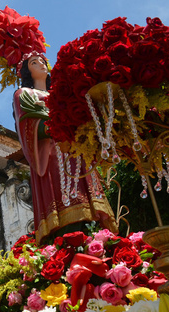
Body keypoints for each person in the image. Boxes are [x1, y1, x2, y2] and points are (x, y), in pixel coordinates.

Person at [13, 54, 118, 243]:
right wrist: (58, 122)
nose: (41, 64)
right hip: (53, 153)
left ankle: (96, 238)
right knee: (64, 198)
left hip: (75, 150)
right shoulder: (24, 93)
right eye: (33, 63)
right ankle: (65, 241)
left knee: (87, 198)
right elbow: (28, 125)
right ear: (26, 71)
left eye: (42, 61)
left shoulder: (62, 94)